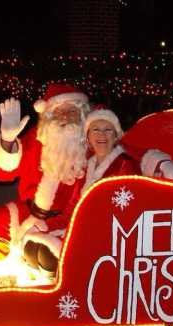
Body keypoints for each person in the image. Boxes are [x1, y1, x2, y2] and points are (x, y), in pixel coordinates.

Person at [0, 84, 173, 283]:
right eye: (58, 111)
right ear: (47, 116)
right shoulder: (35, 139)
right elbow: (2, 175)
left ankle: (45, 283)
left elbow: (133, 154)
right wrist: (8, 140)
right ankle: (5, 276)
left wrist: (164, 165)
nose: (64, 117)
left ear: (84, 115)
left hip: (70, 219)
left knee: (50, 251)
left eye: (71, 111)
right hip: (30, 214)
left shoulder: (95, 142)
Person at [22, 105, 144, 275]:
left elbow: (124, 214)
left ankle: (61, 290)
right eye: (96, 130)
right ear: (87, 137)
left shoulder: (125, 164)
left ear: (116, 135)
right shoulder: (87, 167)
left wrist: (81, 230)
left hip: (106, 234)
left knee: (47, 254)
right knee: (31, 247)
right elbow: (71, 211)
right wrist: (44, 226)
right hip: (81, 226)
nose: (101, 135)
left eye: (108, 130)